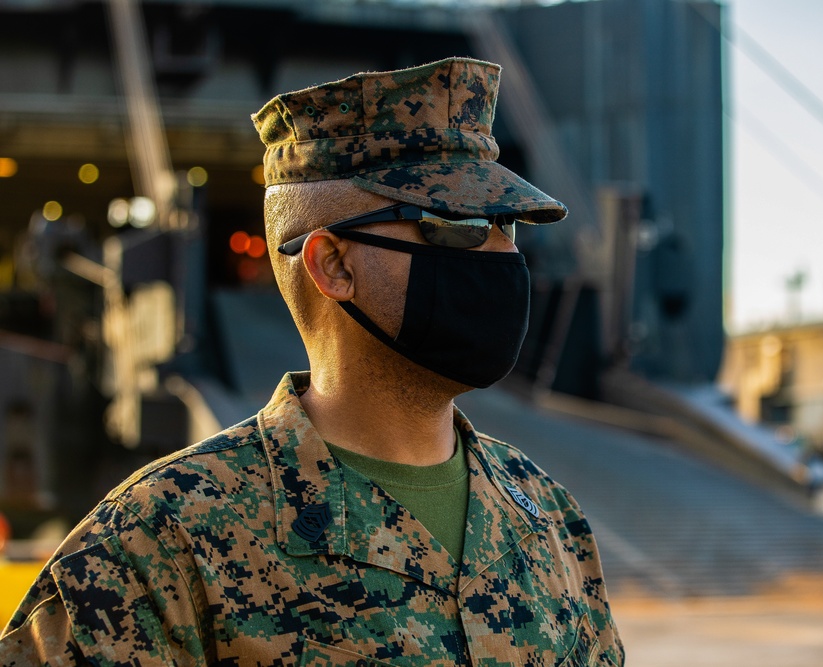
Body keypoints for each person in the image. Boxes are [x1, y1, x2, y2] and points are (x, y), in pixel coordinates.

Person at [0, 57, 623, 666]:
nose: (497, 252)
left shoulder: (547, 518)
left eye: (506, 223)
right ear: (332, 264)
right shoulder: (161, 543)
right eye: (449, 223)